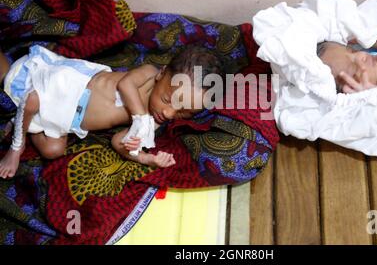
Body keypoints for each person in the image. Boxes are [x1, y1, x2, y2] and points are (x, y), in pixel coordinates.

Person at [0, 44, 227, 179]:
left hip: (68, 119)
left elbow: (118, 141)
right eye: (168, 99)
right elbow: (125, 85)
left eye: (183, 113)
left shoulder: (154, 121)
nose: (168, 113)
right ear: (162, 73)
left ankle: (23, 120)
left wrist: (146, 157)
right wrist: (140, 117)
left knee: (53, 150)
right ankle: (17, 146)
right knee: (21, 90)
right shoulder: (148, 75)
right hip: (67, 88)